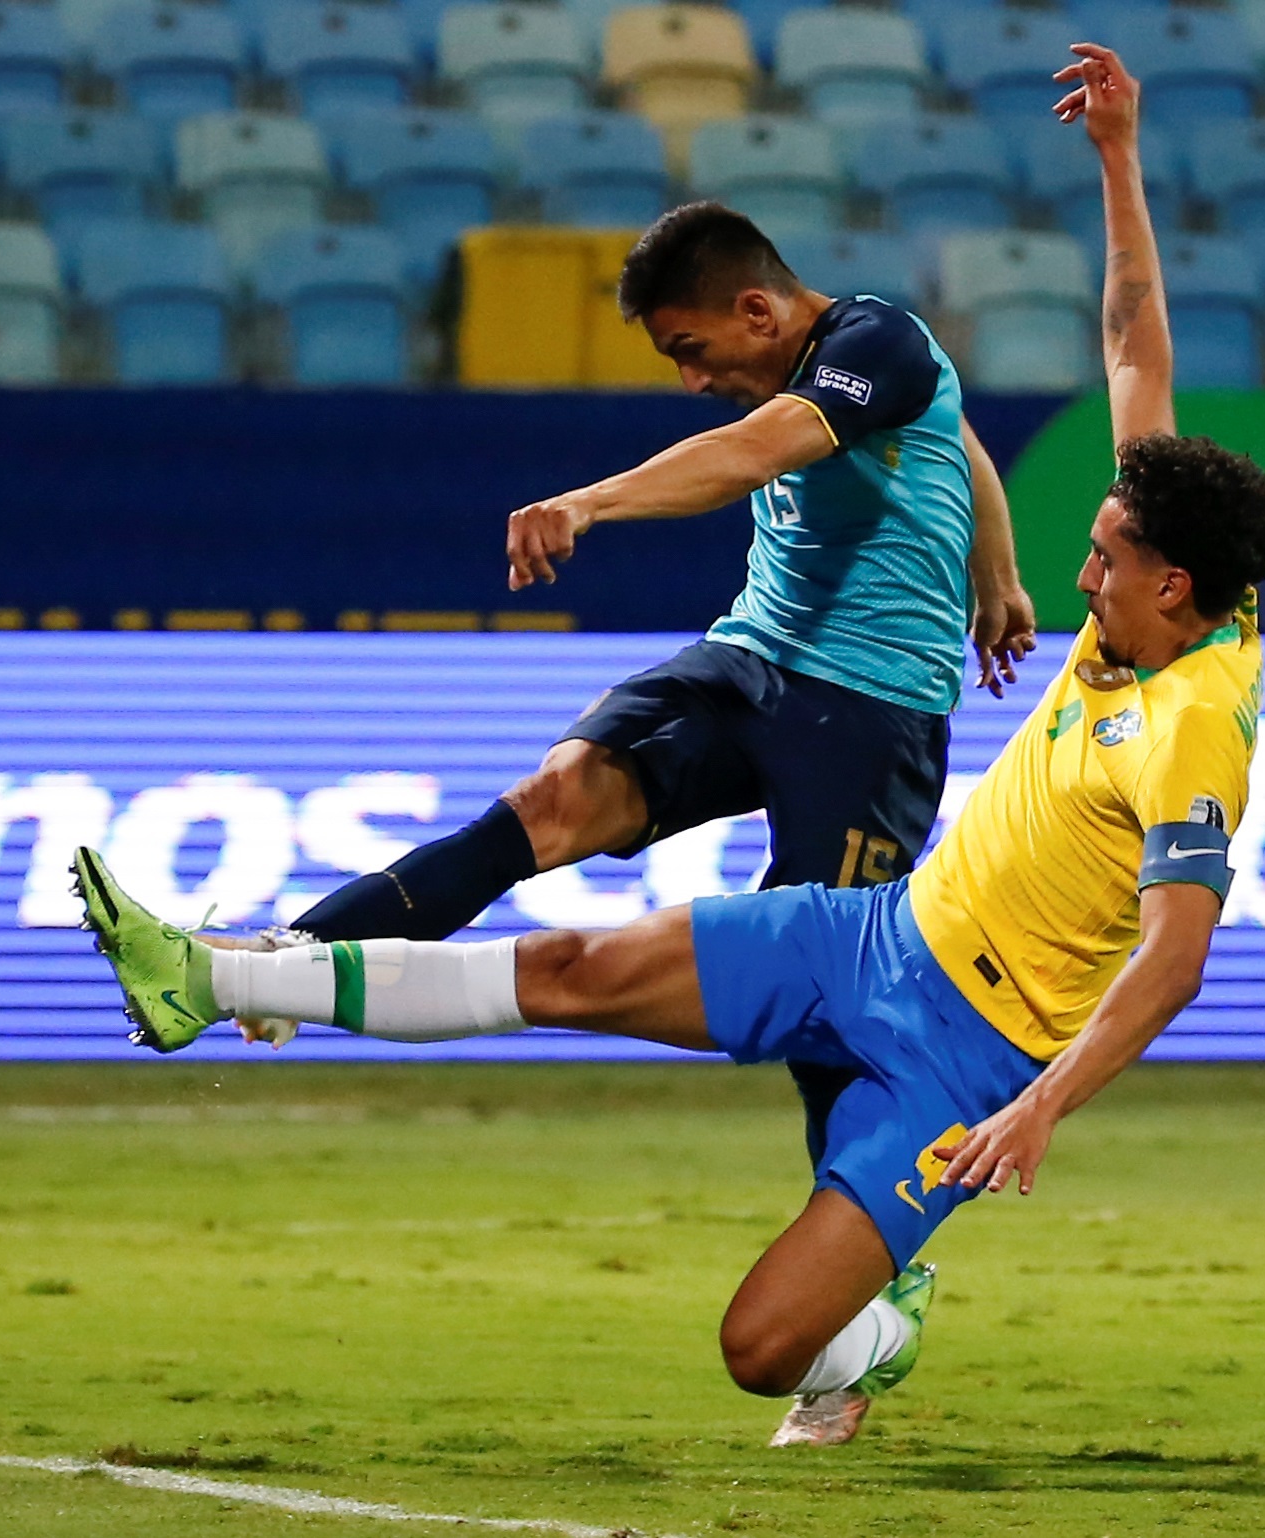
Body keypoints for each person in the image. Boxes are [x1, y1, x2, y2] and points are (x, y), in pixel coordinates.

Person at [75, 43, 1265, 1449]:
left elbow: (1176, 958)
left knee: (757, 1344)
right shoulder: (1163, 567)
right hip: (875, 927)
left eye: (1104, 564)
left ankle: (872, 1305)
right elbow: (1133, 341)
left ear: (1175, 593)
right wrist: (1121, 158)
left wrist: (1041, 1112)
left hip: (962, 1012)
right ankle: (221, 971)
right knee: (569, 928)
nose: (1088, 583)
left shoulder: (1196, 721)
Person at [237, 199, 1038, 1156]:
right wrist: (998, 578)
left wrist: (586, 505)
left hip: (872, 710)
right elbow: (966, 442)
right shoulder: (875, 370)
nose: (695, 380)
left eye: (692, 350)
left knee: (830, 991)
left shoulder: (879, 345)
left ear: (758, 310)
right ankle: (290, 961)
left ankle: (869, 1246)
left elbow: (753, 455)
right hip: (750, 659)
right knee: (550, 801)